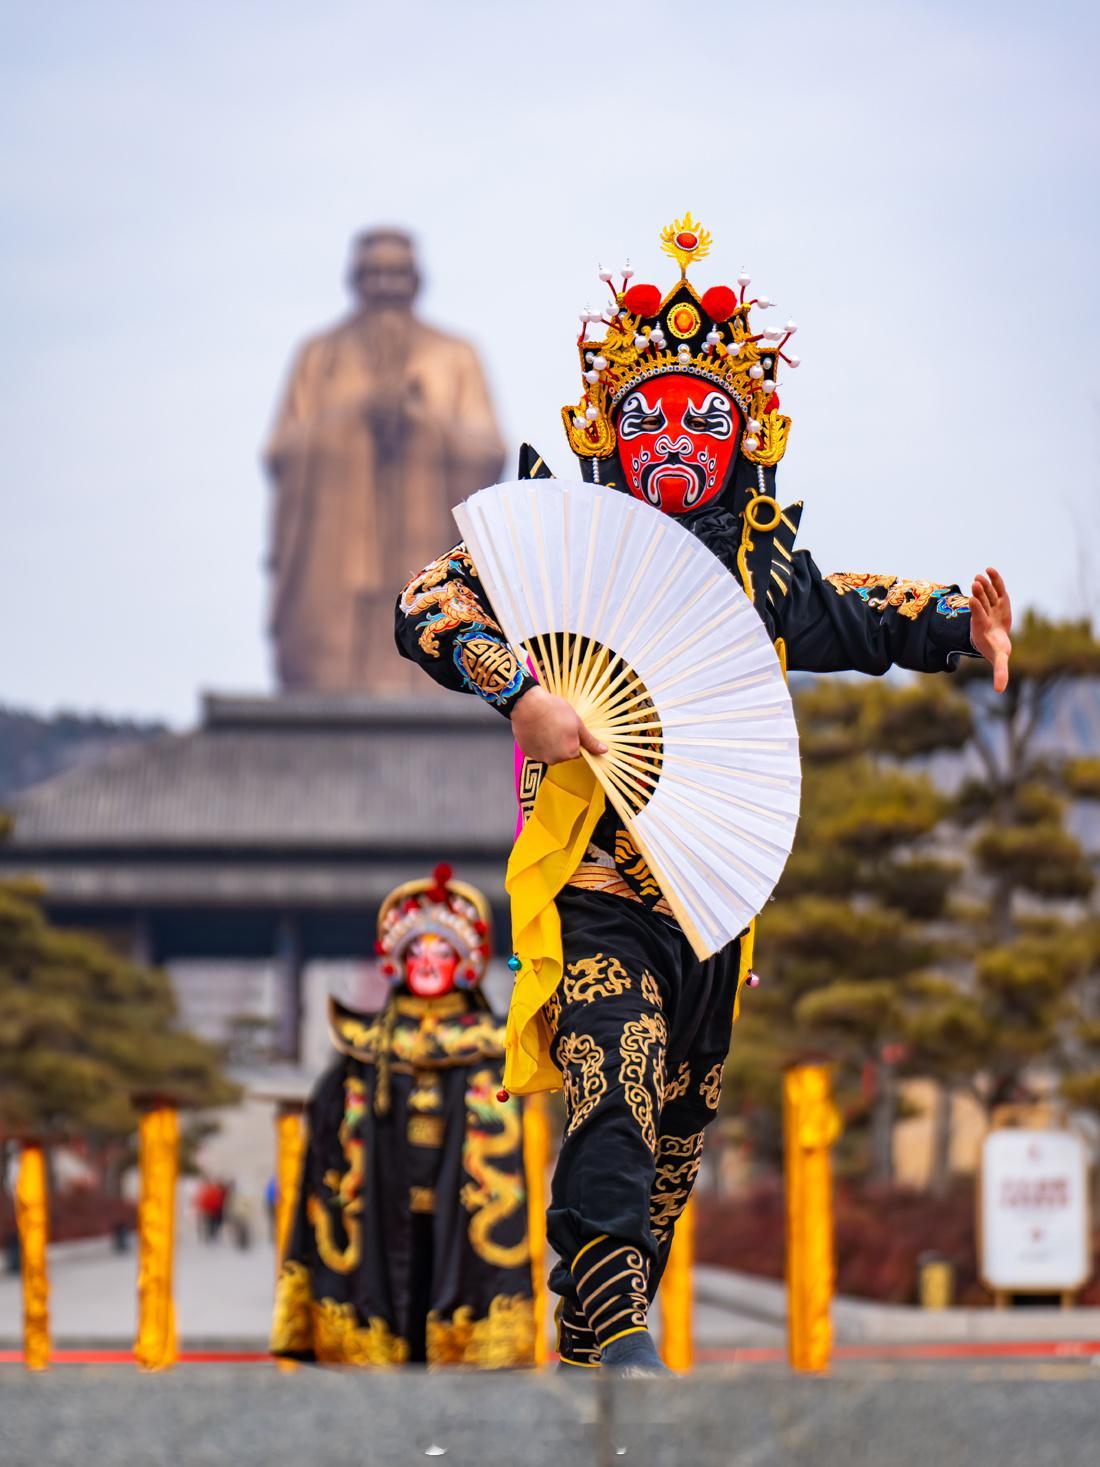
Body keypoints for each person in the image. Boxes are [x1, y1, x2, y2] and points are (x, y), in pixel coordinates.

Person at [394, 216, 1013, 1374]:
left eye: (701, 418)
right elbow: (430, 599)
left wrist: (952, 627)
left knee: (672, 1140)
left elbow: (858, 613)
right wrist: (518, 689)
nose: (674, 439)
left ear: (744, 437)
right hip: (597, 890)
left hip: (710, 909)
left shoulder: (760, 572)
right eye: (647, 418)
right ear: (604, 433)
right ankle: (614, 1322)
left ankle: (597, 1341)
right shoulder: (556, 549)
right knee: (611, 1077)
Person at [270, 866, 535, 1368]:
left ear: (465, 963)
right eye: (416, 951)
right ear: (396, 962)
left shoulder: (491, 1046)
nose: (428, 962)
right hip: (379, 1200)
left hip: (465, 1202)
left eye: (442, 951)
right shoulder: (365, 1047)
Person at [265, 228, 506, 694]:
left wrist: (420, 421)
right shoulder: (319, 355)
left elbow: (489, 451)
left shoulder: (455, 355)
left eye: (397, 274)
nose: (385, 287)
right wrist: (355, 416)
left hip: (423, 533)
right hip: (336, 546)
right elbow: (283, 452)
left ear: (416, 280)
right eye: (374, 274)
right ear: (355, 280)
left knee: (430, 607)